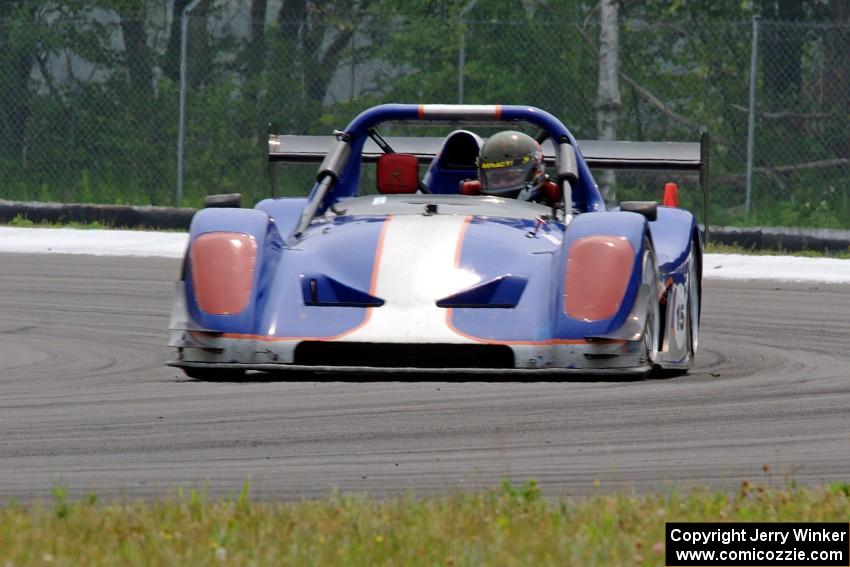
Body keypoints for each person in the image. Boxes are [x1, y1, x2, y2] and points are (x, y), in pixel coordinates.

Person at [475, 130, 560, 204]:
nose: (502, 183)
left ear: (535, 173)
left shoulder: (559, 204)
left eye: (510, 177)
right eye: (494, 178)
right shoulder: (469, 200)